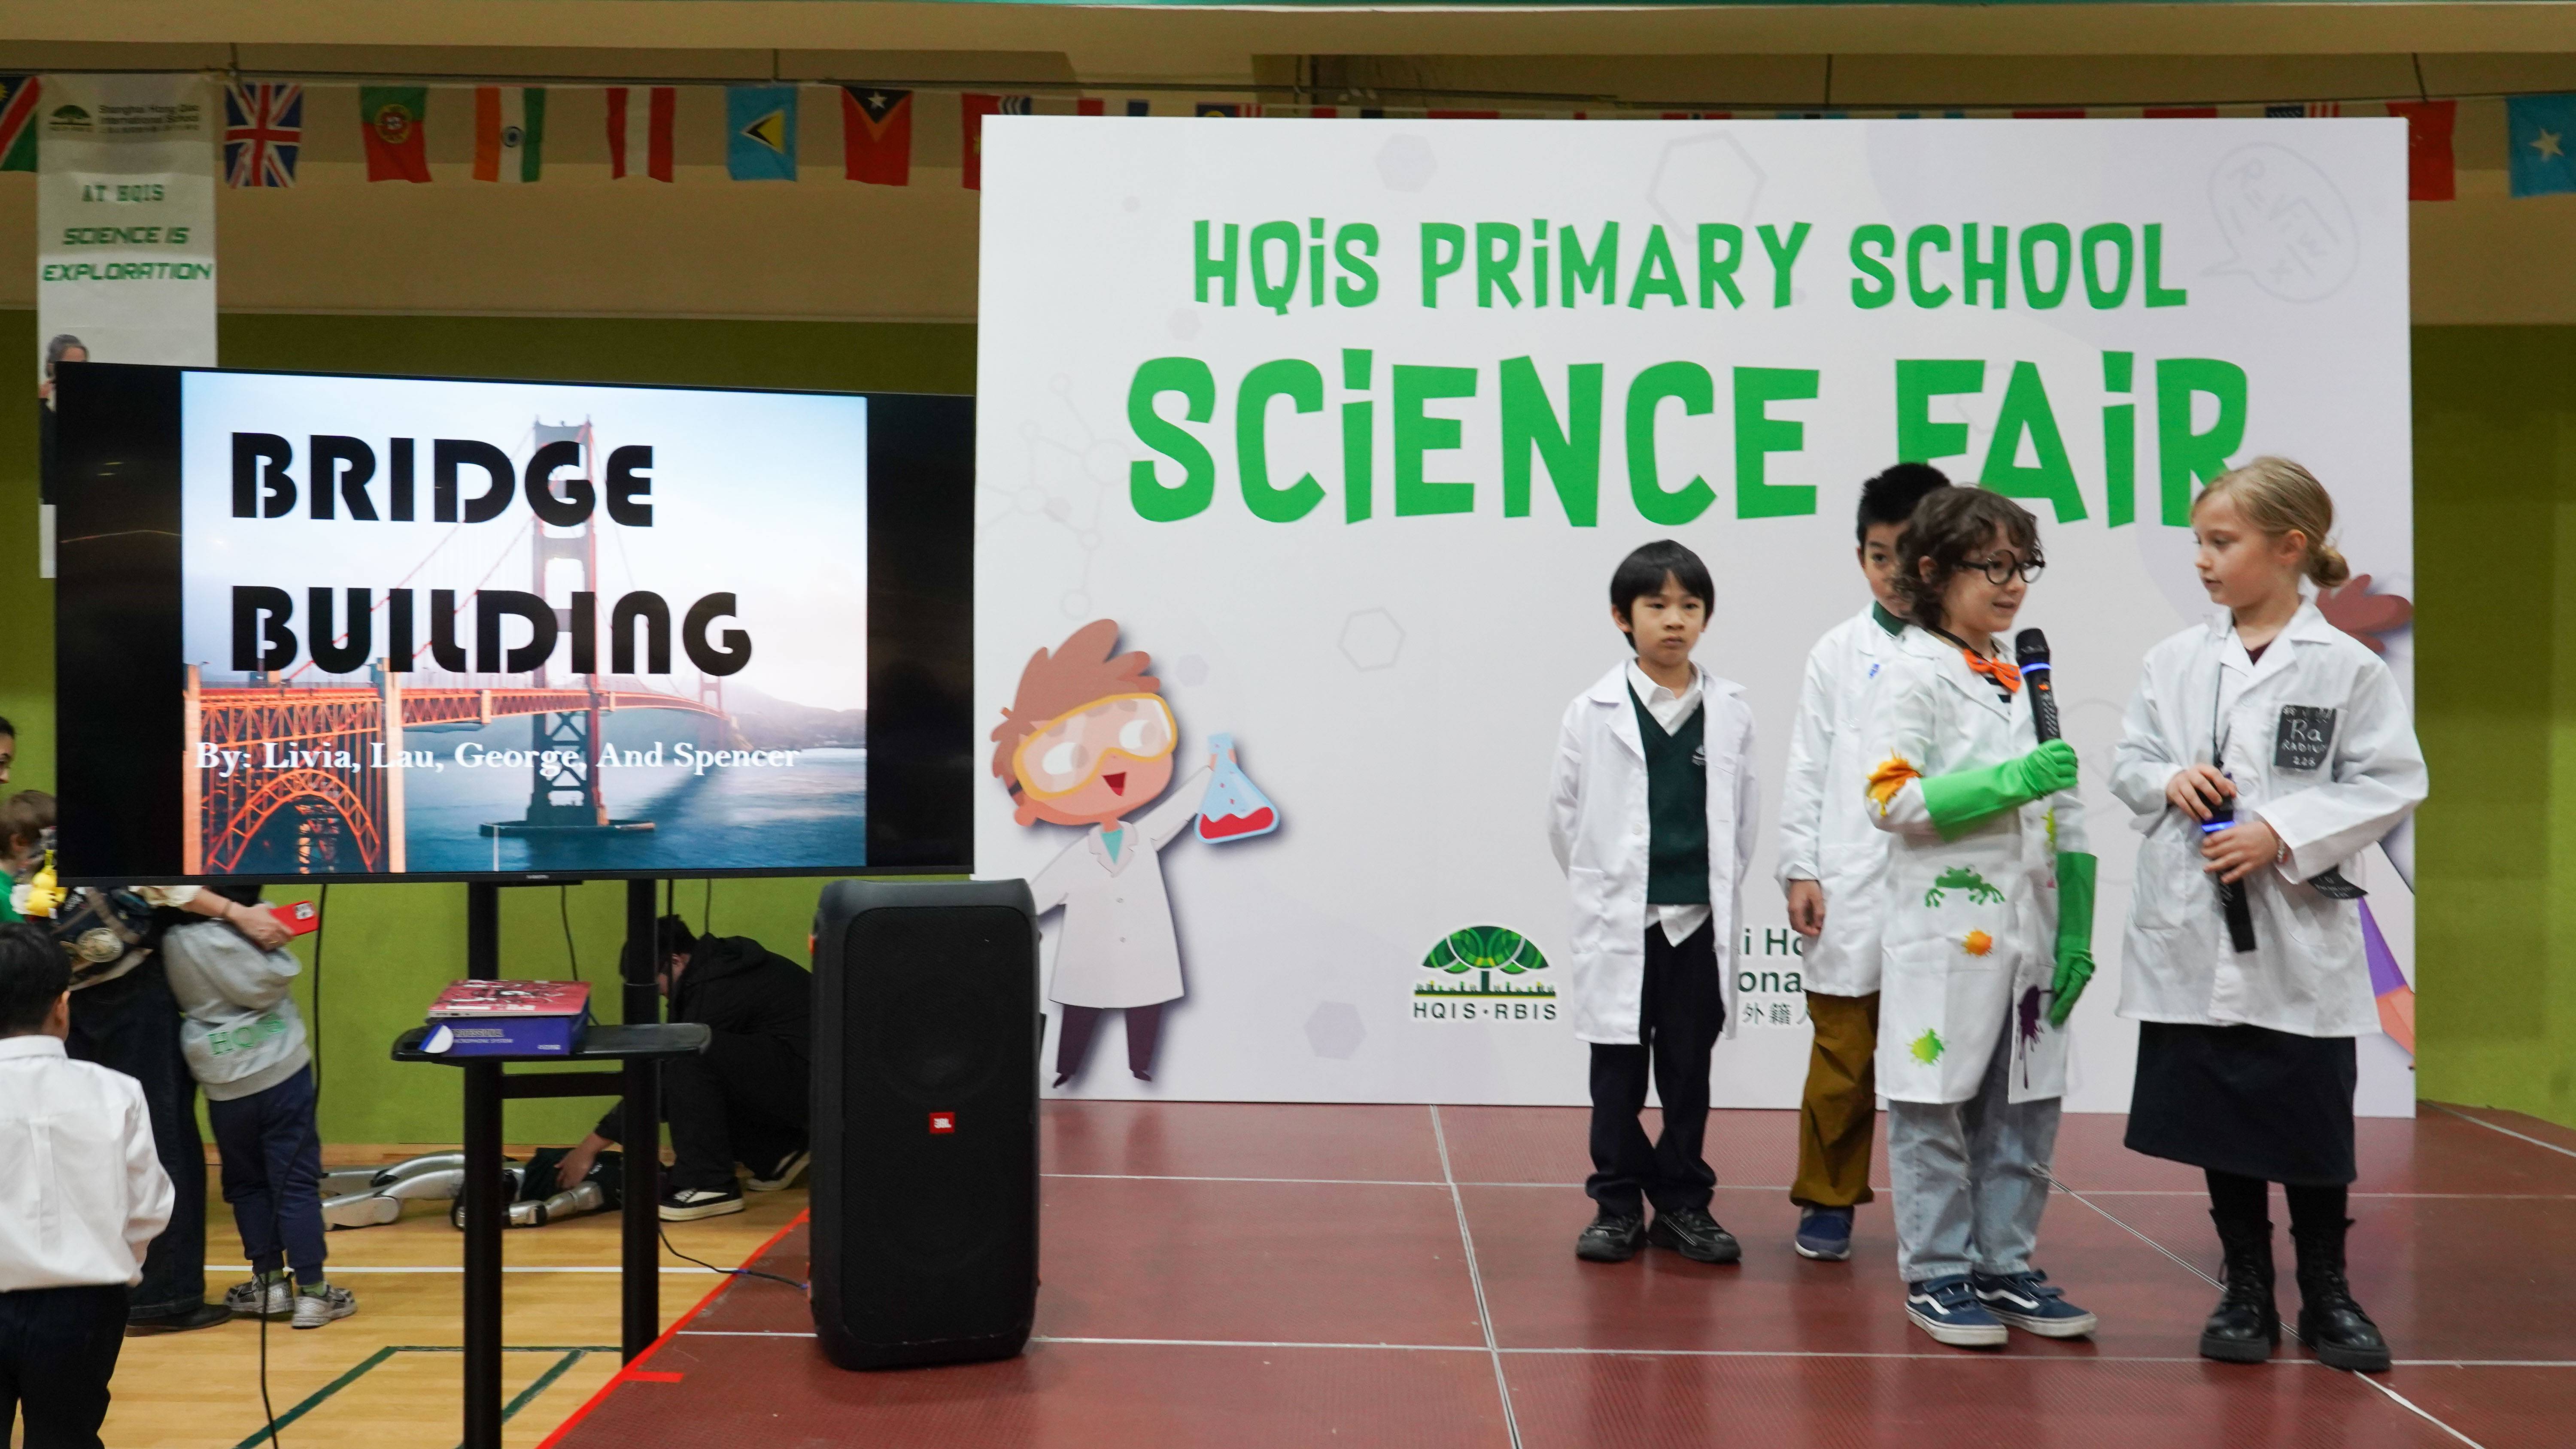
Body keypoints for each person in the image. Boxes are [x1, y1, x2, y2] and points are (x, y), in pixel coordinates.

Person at [2109, 458, 2426, 1373]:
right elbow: (2130, 760)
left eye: (2222, 542)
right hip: (2196, 925)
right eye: (2198, 542)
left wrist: (2280, 832)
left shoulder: (2346, 666)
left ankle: (2328, 1289)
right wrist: (2168, 779)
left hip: (2297, 929)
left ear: (2290, 548)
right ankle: (2246, 1283)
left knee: (2309, 1116)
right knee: (2222, 1114)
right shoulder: (2175, 660)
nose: (2203, 560)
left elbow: (2390, 780)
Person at [1859, 487, 2099, 1347]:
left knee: (2025, 1106)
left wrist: (2078, 930)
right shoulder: (1910, 672)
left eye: (2024, 565)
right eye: (1993, 566)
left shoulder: (2023, 676)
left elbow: (2067, 811)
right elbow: (1891, 798)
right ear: (1932, 570)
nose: (2014, 584)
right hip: (1947, 932)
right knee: (1934, 1103)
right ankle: (1937, 1270)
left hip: (2033, 932)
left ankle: (2005, 1260)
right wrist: (2010, 781)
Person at [1549, 540, 1761, 1267]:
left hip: (1694, 921)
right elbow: (1565, 819)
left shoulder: (1730, 711)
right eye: (1657, 606)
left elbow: (1743, 819)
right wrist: (1610, 887)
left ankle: (1682, 1205)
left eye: (1689, 606)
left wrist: (1702, 890)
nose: (1675, 620)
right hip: (1622, 920)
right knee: (1616, 1073)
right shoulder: (1592, 711)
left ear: (1706, 618)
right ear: (1623, 617)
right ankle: (1615, 1206)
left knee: (1687, 1071)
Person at [1777, 462, 1952, 1262]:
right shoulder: (1836, 653)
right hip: (1851, 880)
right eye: (1879, 556)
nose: (1894, 573)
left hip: (1946, 885)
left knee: (1941, 1063)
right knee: (1843, 1057)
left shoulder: (1968, 652)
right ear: (1861, 557)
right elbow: (1808, 766)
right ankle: (1828, 1198)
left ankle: (1945, 1215)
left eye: (1910, 556)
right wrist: (1800, 867)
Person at [995, 621, 1216, 1087]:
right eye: (1067, 761)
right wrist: (1003, 921)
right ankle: (1066, 1069)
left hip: (1145, 951)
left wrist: (1213, 773)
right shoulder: (1079, 856)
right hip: (1090, 956)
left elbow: (1179, 810)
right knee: (1082, 1010)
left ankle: (1141, 1066)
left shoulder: (1144, 836)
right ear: (1031, 800)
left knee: (1146, 1006)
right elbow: (1037, 895)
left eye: (1135, 734)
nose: (1110, 764)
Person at [61, 882, 286, 1332]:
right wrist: (236, 912)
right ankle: (165, 1297)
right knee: (161, 1135)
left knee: (89, 1142)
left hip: (66, 984)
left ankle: (94, 1288)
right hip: (126, 983)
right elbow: (157, 880)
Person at [0, 920, 174, 1449]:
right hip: (84, 1306)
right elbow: (149, 1207)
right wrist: (107, 1268)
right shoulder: (116, 1091)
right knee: (68, 1436)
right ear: (62, 1006)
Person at [160, 906, 353, 1328]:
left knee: (246, 1183)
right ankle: (315, 1294)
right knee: (295, 1183)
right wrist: (267, 930)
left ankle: (268, 1286)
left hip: (223, 1079)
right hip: (282, 1069)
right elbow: (273, 978)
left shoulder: (169, 939)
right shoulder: (242, 927)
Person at [554, 916, 811, 1221]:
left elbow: (666, 1081)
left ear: (675, 961)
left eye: (657, 984)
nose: (660, 994)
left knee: (689, 1056)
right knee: (703, 1064)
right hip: (811, 1083)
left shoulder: (717, 987)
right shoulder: (720, 969)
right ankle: (778, 1152)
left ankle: (710, 1186)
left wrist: (590, 1146)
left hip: (819, 1093)